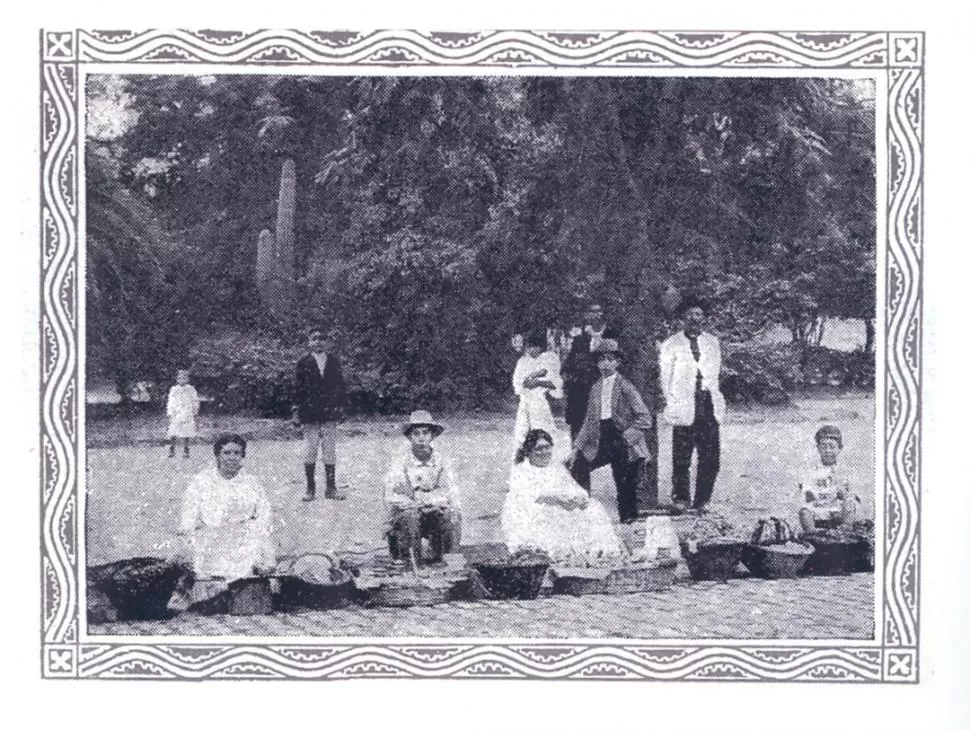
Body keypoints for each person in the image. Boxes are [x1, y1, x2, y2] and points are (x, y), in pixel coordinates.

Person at [503, 429, 627, 566]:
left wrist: (580, 499)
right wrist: (556, 499)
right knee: (553, 515)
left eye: (547, 447)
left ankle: (600, 552)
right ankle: (562, 555)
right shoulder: (522, 471)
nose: (544, 452)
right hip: (533, 512)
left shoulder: (556, 469)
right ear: (529, 451)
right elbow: (526, 497)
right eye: (539, 448)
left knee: (594, 507)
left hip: (561, 505)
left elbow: (574, 488)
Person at [567, 339, 652, 523]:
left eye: (610, 359)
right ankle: (584, 513)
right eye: (602, 360)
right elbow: (589, 421)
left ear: (617, 362)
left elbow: (645, 418)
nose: (606, 363)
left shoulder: (626, 387)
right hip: (601, 438)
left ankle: (628, 521)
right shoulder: (595, 388)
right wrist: (576, 448)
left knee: (624, 482)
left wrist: (627, 438)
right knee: (579, 465)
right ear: (597, 363)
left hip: (622, 438)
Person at [177, 433, 276, 582]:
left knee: (250, 568)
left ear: (242, 456)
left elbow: (264, 512)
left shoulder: (251, 483)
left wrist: (256, 532)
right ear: (218, 455)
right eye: (227, 453)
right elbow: (189, 510)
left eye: (237, 453)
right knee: (207, 571)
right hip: (211, 536)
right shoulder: (202, 481)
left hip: (244, 537)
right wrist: (192, 529)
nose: (232, 457)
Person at [659, 296, 726, 513]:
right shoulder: (671, 344)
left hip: (707, 403)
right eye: (690, 314)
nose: (694, 318)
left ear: (703, 318)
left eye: (698, 314)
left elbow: (714, 374)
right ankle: (681, 499)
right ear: (682, 318)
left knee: (710, 456)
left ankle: (703, 500)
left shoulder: (712, 342)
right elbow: (665, 378)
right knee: (682, 456)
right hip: (684, 403)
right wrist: (673, 403)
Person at [384, 411, 462, 567]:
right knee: (410, 517)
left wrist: (428, 502)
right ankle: (413, 562)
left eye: (425, 433)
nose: (421, 437)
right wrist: (414, 503)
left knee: (452, 513)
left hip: (431, 511)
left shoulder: (441, 461)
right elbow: (392, 494)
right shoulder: (400, 462)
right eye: (416, 433)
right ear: (409, 437)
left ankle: (445, 559)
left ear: (432, 436)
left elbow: (449, 492)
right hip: (406, 516)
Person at [293, 325, 347, 501]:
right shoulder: (303, 363)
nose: (318, 341)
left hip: (330, 413)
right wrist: (295, 411)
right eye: (314, 338)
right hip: (309, 413)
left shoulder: (334, 362)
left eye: (322, 338)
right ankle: (310, 489)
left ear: (327, 342)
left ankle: (331, 488)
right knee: (310, 450)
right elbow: (297, 390)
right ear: (309, 342)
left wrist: (341, 408)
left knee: (330, 451)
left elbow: (340, 387)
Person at [562, 302, 621, 442]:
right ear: (587, 315)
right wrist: (571, 379)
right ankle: (576, 457)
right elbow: (567, 365)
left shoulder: (612, 335)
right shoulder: (579, 339)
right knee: (578, 426)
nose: (596, 315)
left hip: (605, 387)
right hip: (581, 390)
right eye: (592, 311)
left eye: (599, 311)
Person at [797, 425, 860, 534]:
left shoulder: (844, 472)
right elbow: (805, 494)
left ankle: (844, 530)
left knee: (850, 506)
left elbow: (853, 496)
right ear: (818, 448)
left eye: (832, 446)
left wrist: (844, 495)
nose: (828, 450)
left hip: (837, 512)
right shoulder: (811, 472)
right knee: (804, 512)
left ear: (840, 448)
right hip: (818, 511)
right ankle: (813, 533)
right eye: (824, 446)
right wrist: (812, 495)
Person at [512, 329, 563, 451]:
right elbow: (519, 383)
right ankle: (522, 456)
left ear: (541, 348)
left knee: (543, 431)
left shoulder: (548, 359)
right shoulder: (522, 361)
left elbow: (555, 383)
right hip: (526, 401)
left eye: (536, 347)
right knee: (522, 432)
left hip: (540, 402)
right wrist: (532, 378)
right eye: (529, 347)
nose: (532, 350)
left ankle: (543, 456)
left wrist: (538, 382)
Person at [166, 368, 200, 458]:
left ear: (187, 379)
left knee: (186, 431)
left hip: (187, 412)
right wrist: (170, 412)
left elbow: (195, 401)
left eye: (184, 378)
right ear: (177, 379)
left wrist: (195, 411)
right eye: (180, 378)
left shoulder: (191, 389)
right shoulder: (174, 389)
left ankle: (186, 450)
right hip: (177, 412)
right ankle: (172, 449)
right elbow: (171, 401)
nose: (182, 380)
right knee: (173, 431)